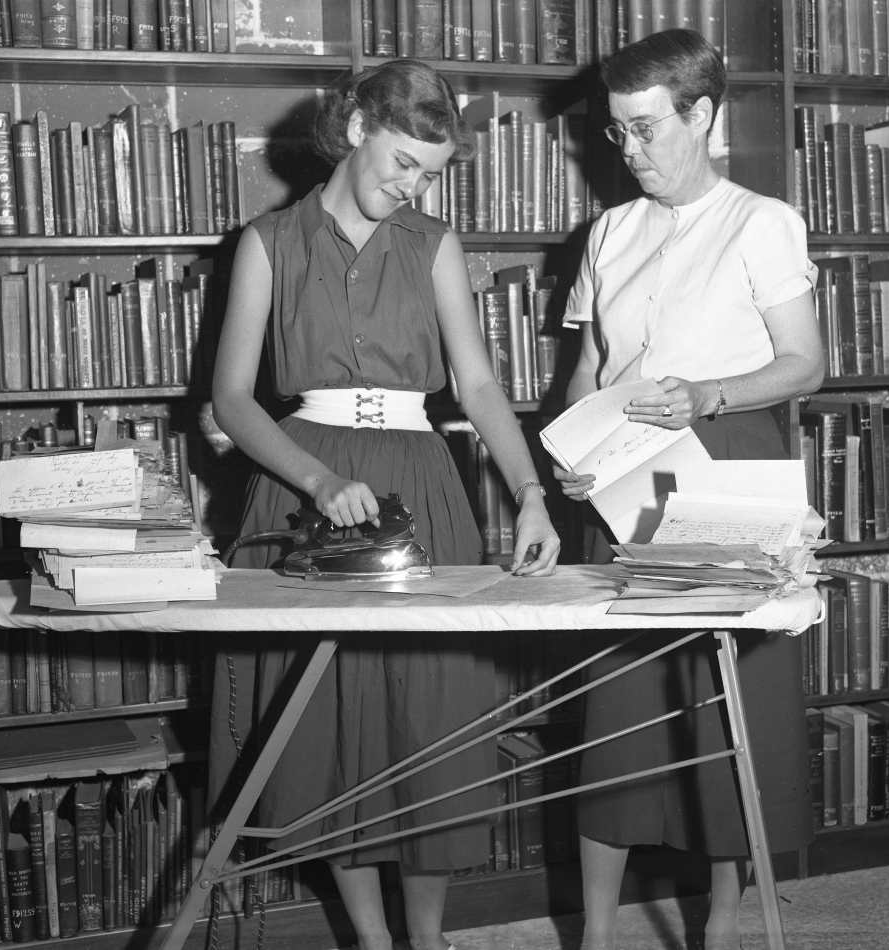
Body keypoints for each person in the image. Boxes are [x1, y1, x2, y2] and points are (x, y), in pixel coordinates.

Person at [208, 59, 560, 950]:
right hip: (304, 479)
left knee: (428, 718)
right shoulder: (266, 243)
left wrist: (530, 494)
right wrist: (318, 482)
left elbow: (478, 386)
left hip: (420, 484)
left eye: (431, 172)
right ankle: (371, 937)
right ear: (358, 128)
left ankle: (429, 936)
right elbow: (235, 401)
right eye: (404, 161)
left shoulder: (435, 244)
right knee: (329, 722)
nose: (413, 187)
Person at [553, 28, 825, 950]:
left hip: (731, 462)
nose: (627, 151)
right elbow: (592, 365)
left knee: (725, 707)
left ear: (701, 115)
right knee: (616, 707)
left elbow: (804, 365)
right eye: (615, 132)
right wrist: (572, 444)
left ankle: (720, 922)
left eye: (645, 128)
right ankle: (594, 932)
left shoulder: (764, 222)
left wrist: (708, 393)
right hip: (626, 473)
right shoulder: (609, 231)